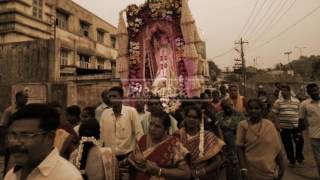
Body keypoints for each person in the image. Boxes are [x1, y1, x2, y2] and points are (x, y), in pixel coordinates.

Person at [4, 103, 82, 180]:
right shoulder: (12, 174)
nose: (16, 143)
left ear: (50, 137)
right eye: (13, 135)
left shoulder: (68, 177)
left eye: (26, 135)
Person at [128, 109, 190, 180]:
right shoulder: (143, 139)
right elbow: (133, 164)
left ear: (166, 129)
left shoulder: (174, 144)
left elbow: (186, 173)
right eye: (151, 124)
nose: (152, 129)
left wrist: (159, 171)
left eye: (157, 126)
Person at [100, 86, 144, 180]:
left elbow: (139, 134)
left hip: (127, 159)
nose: (111, 99)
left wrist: (138, 155)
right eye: (110, 96)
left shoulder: (131, 112)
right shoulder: (105, 114)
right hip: (110, 159)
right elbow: (101, 137)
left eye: (114, 96)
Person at [237, 99, 284, 180]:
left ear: (261, 110)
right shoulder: (242, 125)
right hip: (251, 169)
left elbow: (277, 148)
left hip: (269, 170)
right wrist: (243, 169)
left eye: (256, 108)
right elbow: (239, 148)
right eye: (250, 108)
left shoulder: (269, 125)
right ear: (247, 110)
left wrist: (282, 168)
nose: (253, 111)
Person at [175, 105, 225, 179]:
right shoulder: (177, 135)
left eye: (195, 117)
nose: (191, 119)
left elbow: (217, 160)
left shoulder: (208, 136)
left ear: (199, 120)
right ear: (184, 118)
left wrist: (199, 172)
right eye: (188, 116)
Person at [272, 84, 304, 167]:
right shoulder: (278, 102)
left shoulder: (296, 101)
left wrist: (301, 125)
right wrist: (277, 125)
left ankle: (298, 155)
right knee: (287, 145)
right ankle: (292, 160)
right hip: (284, 127)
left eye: (285, 90)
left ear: (289, 91)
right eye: (282, 90)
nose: (283, 92)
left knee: (300, 142)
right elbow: (275, 114)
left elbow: (300, 113)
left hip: (296, 126)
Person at [215, 99, 244, 180]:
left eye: (229, 107)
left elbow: (239, 131)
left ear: (232, 105)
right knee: (228, 166)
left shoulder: (238, 115)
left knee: (237, 165)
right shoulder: (219, 115)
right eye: (224, 108)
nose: (227, 109)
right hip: (223, 144)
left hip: (235, 144)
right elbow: (218, 128)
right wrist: (222, 142)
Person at [1, 90, 28, 174]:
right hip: (11, 141)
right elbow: (2, 128)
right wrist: (2, 145)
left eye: (27, 97)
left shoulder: (27, 110)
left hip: (25, 141)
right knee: (9, 164)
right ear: (18, 98)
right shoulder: (9, 111)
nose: (27, 99)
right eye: (25, 97)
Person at [299, 83, 320, 176]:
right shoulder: (304, 104)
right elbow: (301, 118)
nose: (314, 92)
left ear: (318, 89)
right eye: (311, 91)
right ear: (308, 92)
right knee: (319, 159)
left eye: (315, 90)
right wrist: (300, 132)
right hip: (314, 136)